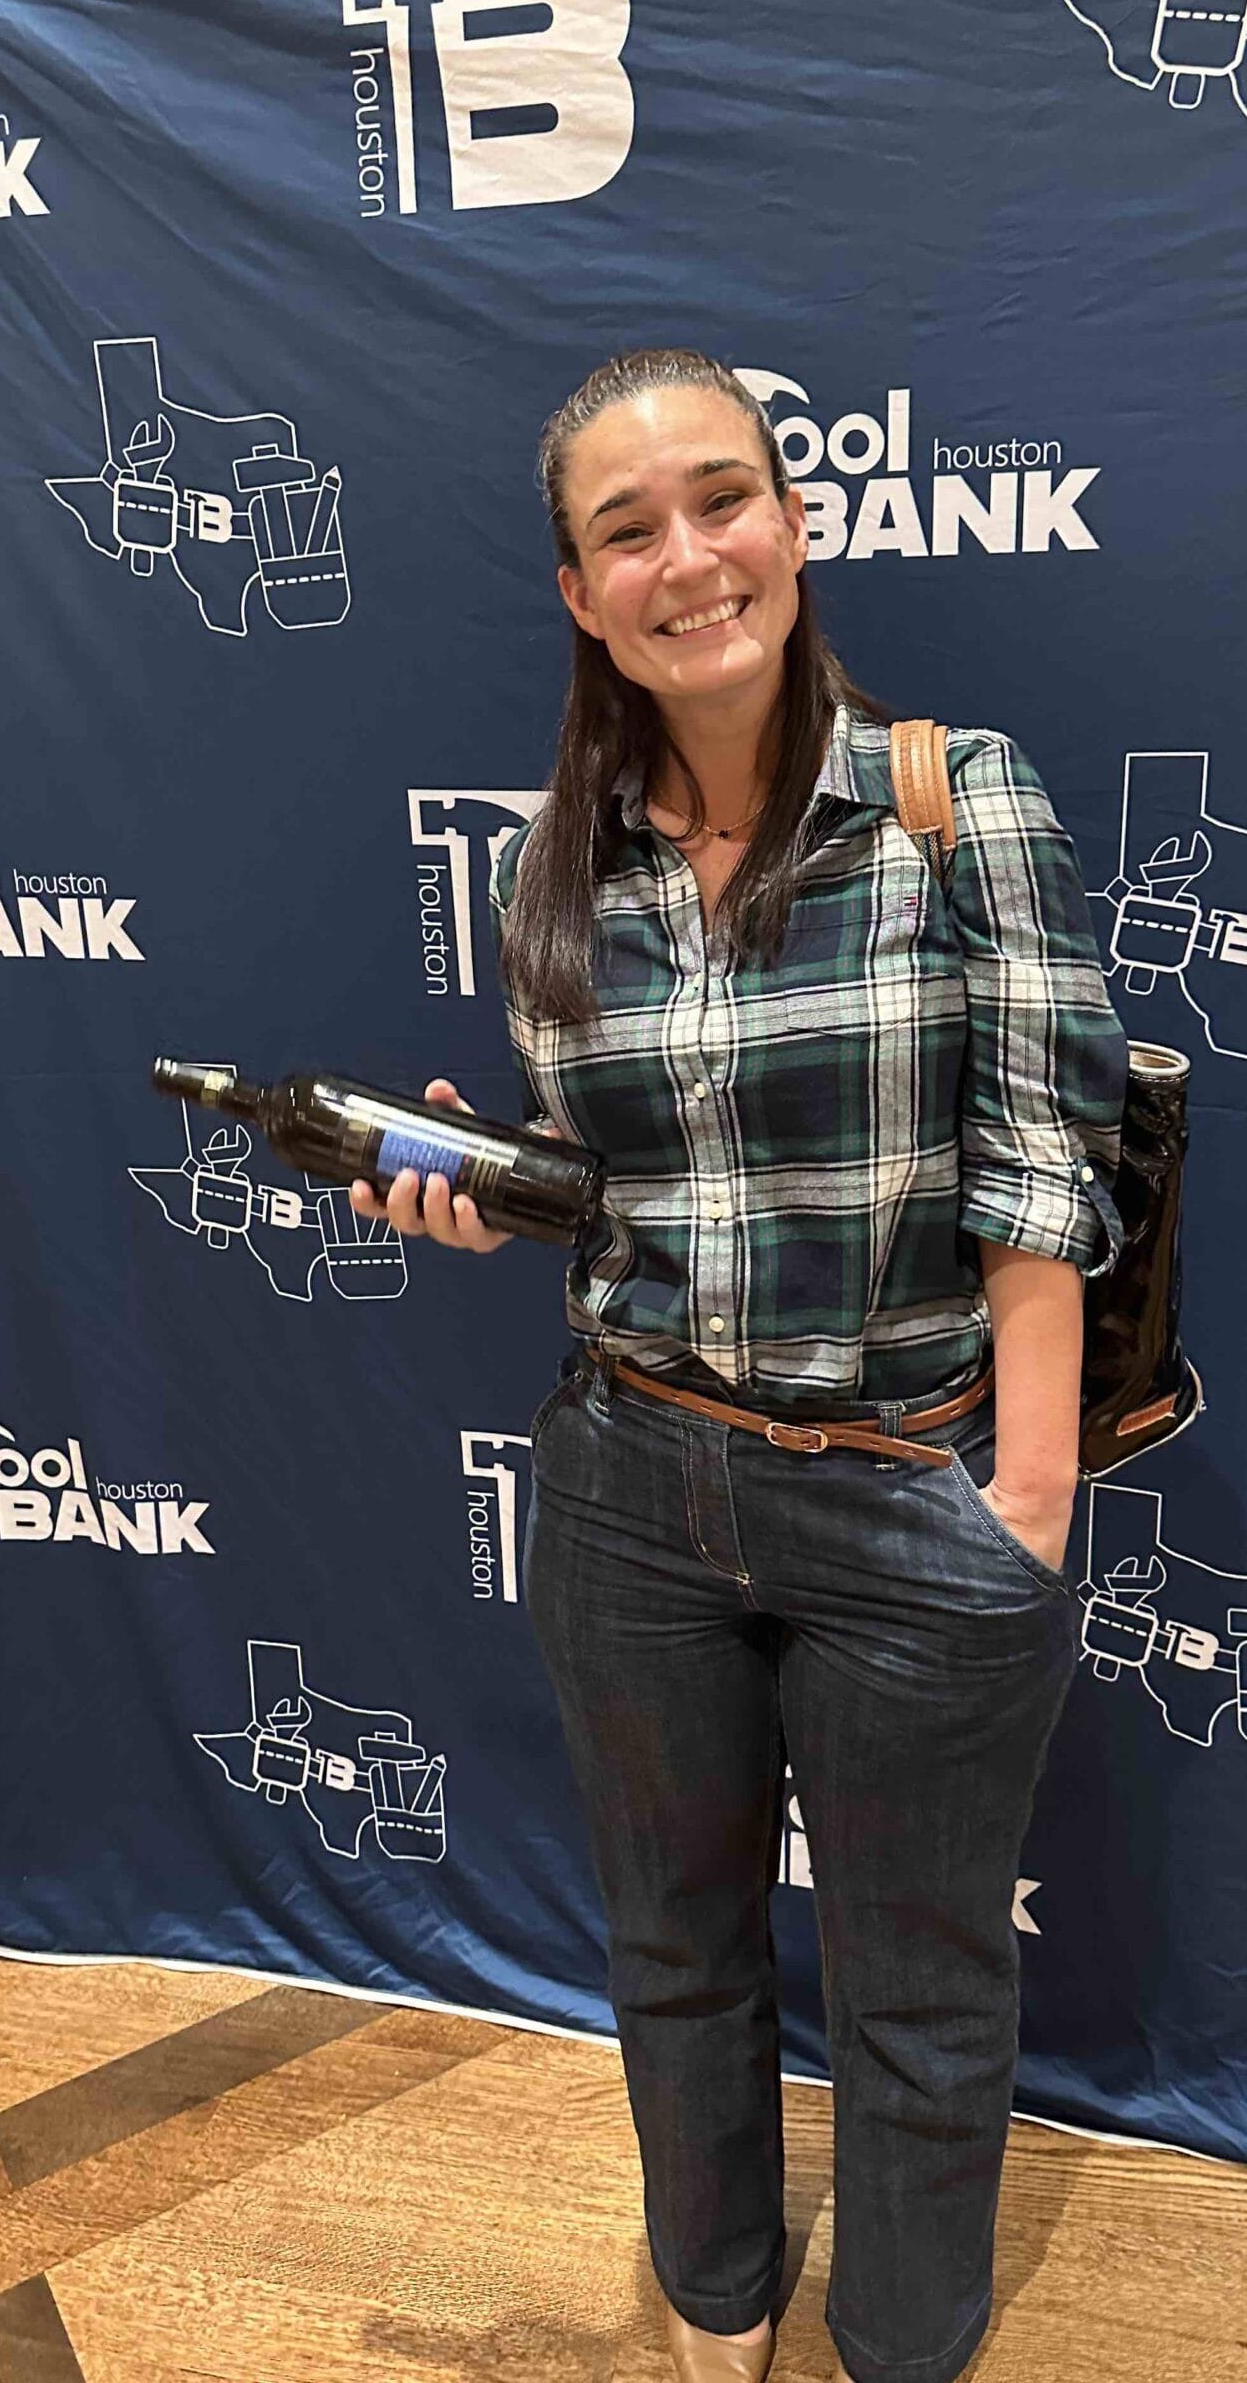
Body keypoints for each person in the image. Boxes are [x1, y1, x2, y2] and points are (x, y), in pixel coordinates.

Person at [348, 348, 1126, 2383]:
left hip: (911, 1495)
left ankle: (898, 2348)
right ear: (581, 591)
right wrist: (475, 1182)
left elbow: (1049, 1169)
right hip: (627, 1486)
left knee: (920, 1995)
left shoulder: (958, 799)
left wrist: (1024, 1506)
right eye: (630, 527)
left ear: (796, 520)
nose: (690, 553)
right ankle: (712, 2311)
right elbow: (626, 1189)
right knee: (675, 1954)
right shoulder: (557, 854)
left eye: (726, 496)